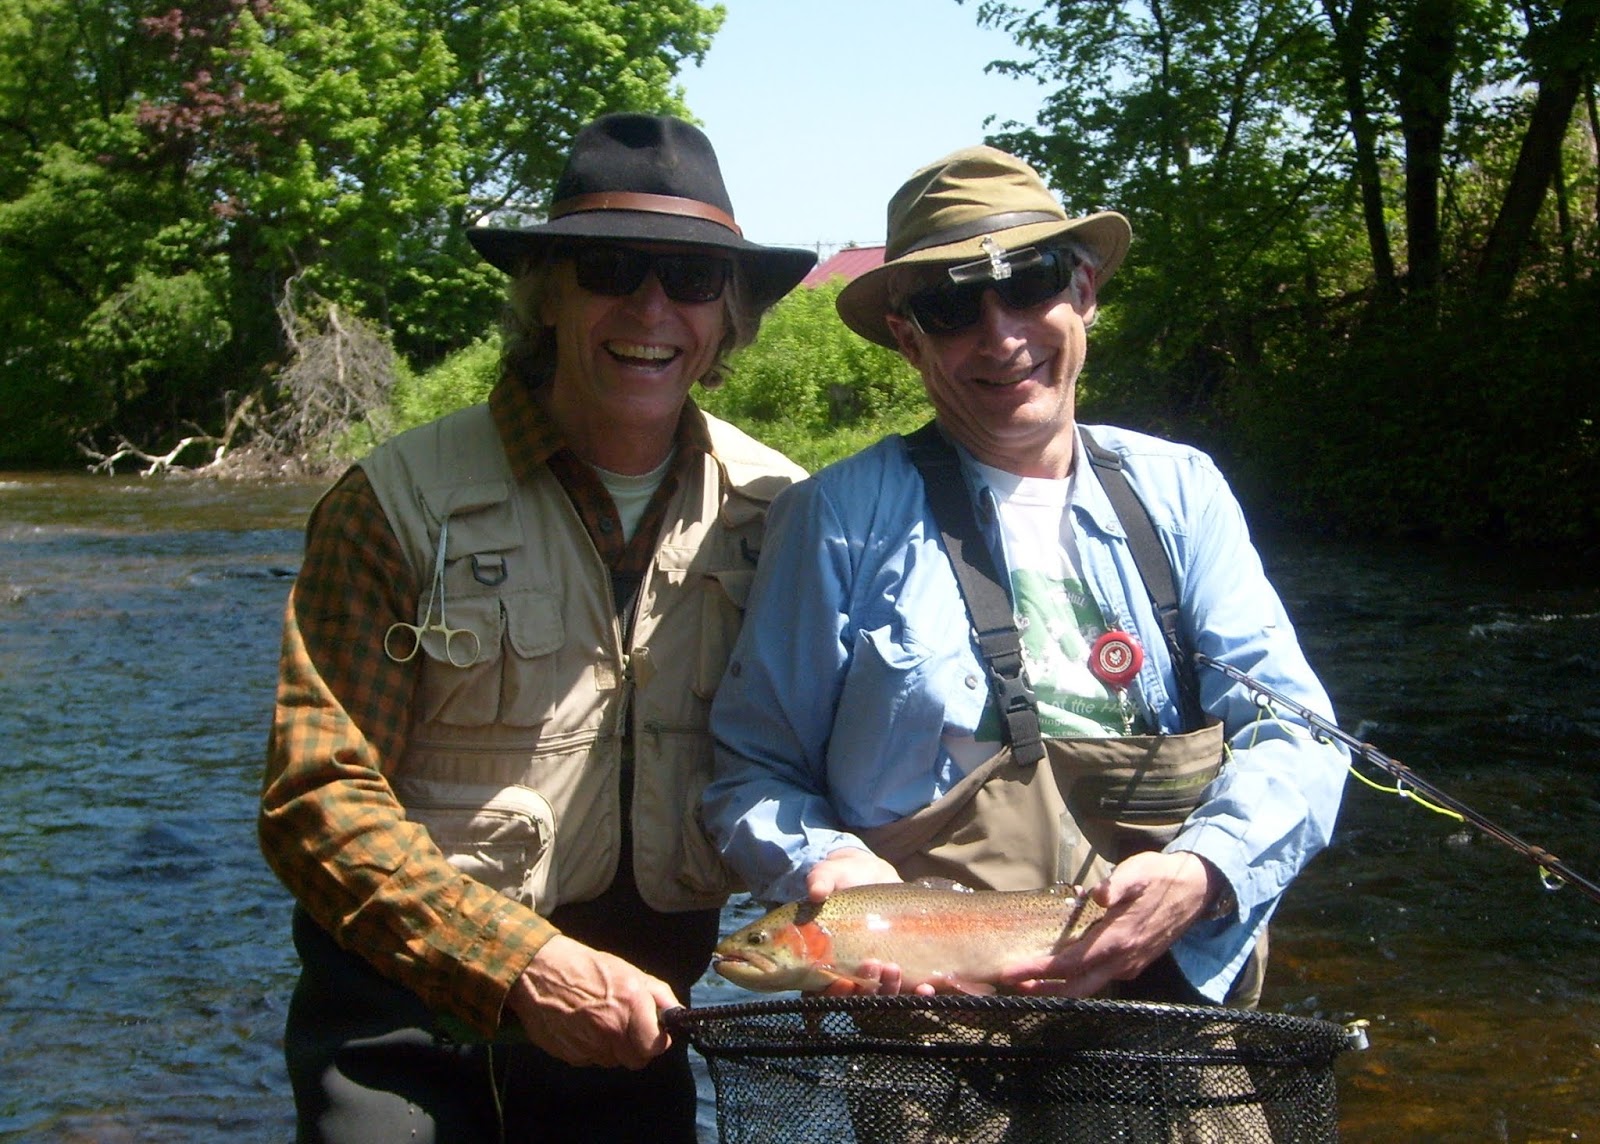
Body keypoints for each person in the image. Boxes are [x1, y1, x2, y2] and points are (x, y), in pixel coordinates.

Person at [259, 113, 815, 1143]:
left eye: (691, 280)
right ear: (547, 290)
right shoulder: (393, 503)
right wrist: (519, 965)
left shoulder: (784, 512)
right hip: (402, 1028)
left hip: (638, 1031)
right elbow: (316, 797)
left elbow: (840, 756)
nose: (651, 307)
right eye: (610, 266)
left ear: (727, 314)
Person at [703, 144, 1348, 1008]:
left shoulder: (1181, 493)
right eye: (951, 305)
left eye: (1030, 283)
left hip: (1172, 994)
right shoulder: (834, 521)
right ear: (907, 337)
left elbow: (1299, 733)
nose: (1001, 334)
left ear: (1082, 290)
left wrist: (1207, 867)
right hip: (934, 1026)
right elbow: (751, 773)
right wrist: (831, 865)